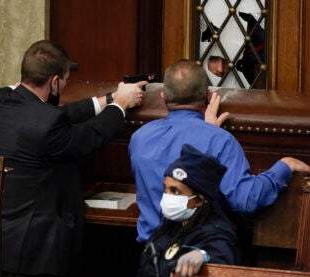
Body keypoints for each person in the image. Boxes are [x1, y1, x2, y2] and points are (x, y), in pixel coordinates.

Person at [0, 39, 147, 277]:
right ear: (55, 81)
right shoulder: (46, 122)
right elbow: (89, 136)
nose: (67, 85)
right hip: (39, 253)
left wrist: (108, 99)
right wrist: (120, 105)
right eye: (67, 80)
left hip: (2, 243)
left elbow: (55, 116)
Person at [128, 59, 310, 244]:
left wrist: (206, 131)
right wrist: (285, 166)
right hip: (199, 259)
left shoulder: (139, 138)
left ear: (163, 97)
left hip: (151, 258)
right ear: (208, 95)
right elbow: (246, 200)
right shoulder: (219, 141)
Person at [136, 144, 240, 277]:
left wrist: (203, 255)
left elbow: (220, 257)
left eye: (175, 191)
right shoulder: (171, 226)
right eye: (165, 189)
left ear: (199, 200)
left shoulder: (218, 233)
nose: (167, 196)